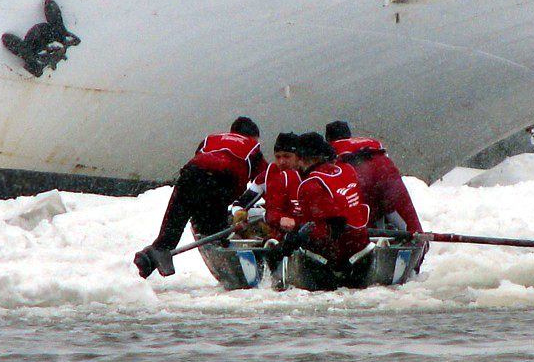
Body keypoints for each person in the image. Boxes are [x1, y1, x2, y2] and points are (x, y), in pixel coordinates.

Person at [133, 116, 267, 278]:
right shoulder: (252, 147)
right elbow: (267, 179)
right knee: (214, 233)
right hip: (221, 178)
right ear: (253, 137)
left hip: (190, 173)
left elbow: (200, 162)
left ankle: (149, 259)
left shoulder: (210, 140)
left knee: (175, 221)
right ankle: (237, 272)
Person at [275, 132, 371, 271]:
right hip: (363, 246)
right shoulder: (347, 170)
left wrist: (294, 240)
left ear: (300, 158)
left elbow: (335, 225)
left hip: (341, 257)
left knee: (279, 252)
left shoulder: (310, 185)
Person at [325, 120, 422, 233]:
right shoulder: (369, 141)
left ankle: (374, 238)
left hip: (362, 173)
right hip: (386, 168)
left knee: (366, 211)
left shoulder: (331, 148)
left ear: (328, 138)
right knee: (395, 205)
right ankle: (416, 235)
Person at [231, 132, 301, 239]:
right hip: (276, 228)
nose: (281, 162)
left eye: (287, 156)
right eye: (278, 157)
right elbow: (239, 203)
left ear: (299, 157)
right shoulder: (268, 175)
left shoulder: (311, 175)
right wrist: (239, 215)